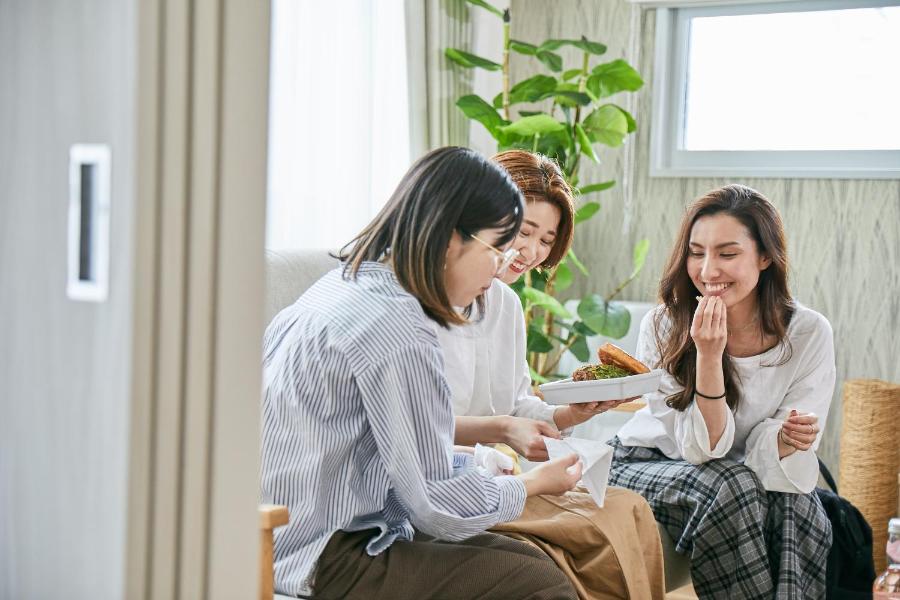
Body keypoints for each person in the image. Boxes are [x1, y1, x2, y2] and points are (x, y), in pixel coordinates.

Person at [260, 146, 585, 600]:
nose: (502, 265)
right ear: (451, 239)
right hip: (320, 552)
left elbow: (398, 455)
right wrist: (530, 484)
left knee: (528, 562)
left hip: (278, 535)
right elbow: (433, 503)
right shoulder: (400, 326)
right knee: (541, 584)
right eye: (498, 248)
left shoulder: (338, 286)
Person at [435, 149, 665, 599]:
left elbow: (518, 403)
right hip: (462, 482)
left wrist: (574, 413)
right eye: (524, 232)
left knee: (629, 509)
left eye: (546, 240)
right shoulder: (417, 306)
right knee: (586, 546)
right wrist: (505, 431)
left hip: (497, 475)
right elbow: (419, 428)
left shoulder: (505, 304)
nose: (531, 251)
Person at [609, 184, 834, 599]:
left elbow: (784, 452)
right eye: (697, 253)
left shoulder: (808, 333)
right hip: (648, 461)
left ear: (765, 257)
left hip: (737, 472)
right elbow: (701, 450)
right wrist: (709, 356)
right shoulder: (663, 325)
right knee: (733, 484)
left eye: (727, 254)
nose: (709, 270)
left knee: (798, 503)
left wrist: (786, 439)